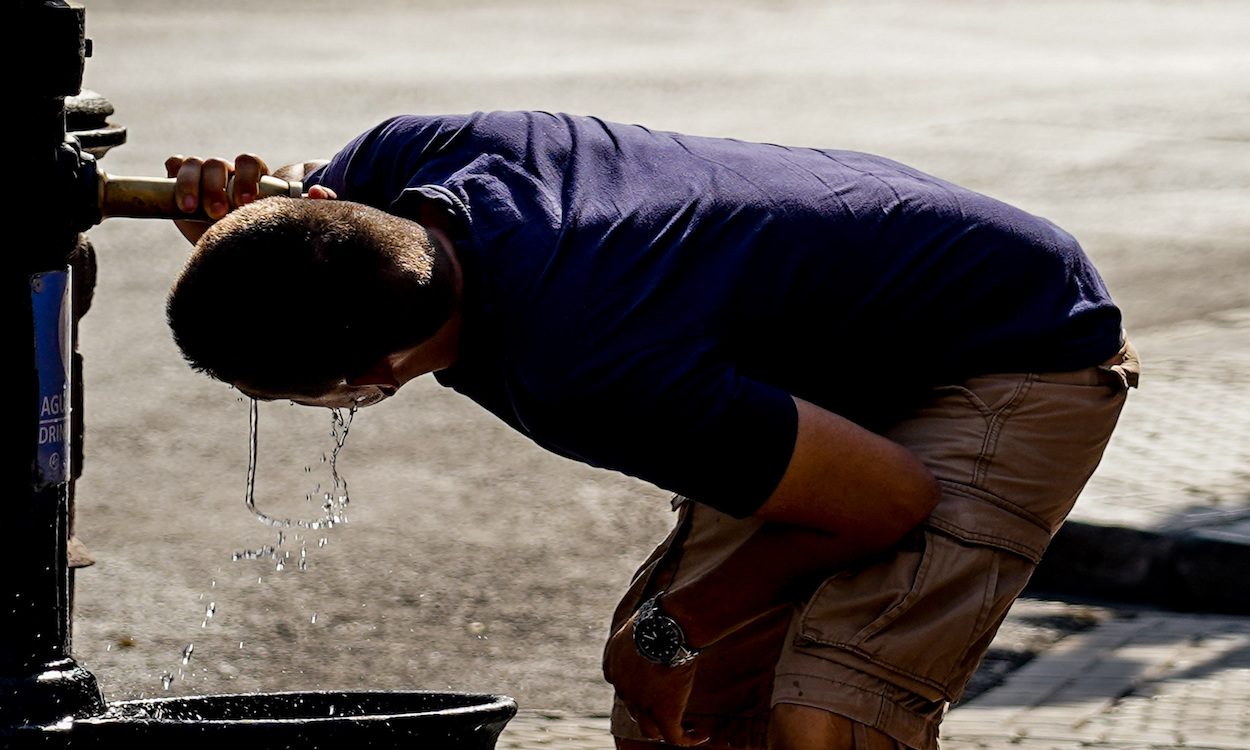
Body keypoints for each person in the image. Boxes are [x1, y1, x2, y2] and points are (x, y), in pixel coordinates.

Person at [164, 111, 1138, 750]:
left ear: (371, 379)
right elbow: (309, 200)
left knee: (825, 716)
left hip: (1013, 341)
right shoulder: (405, 162)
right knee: (693, 704)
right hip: (825, 350)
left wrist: (673, 627)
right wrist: (243, 210)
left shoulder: (584, 368)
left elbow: (885, 501)